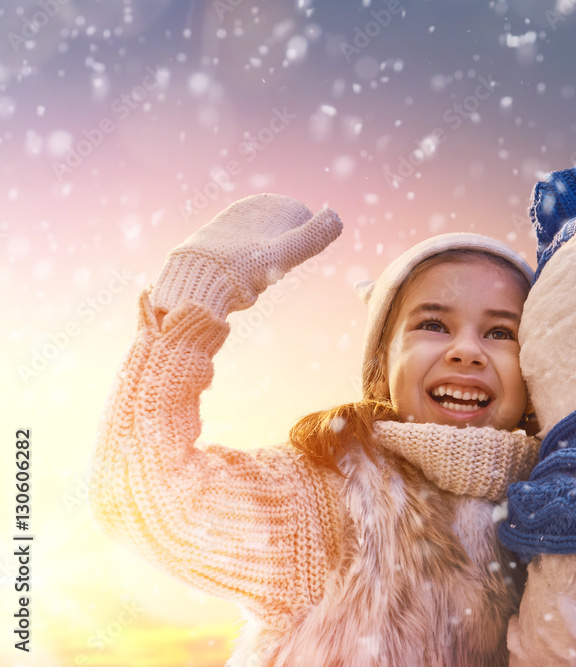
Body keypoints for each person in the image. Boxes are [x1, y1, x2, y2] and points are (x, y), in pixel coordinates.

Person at [89, 193, 540, 666]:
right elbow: (143, 498)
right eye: (433, 324)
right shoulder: (332, 496)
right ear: (381, 368)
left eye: (500, 333)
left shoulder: (564, 501)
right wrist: (193, 292)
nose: (467, 351)